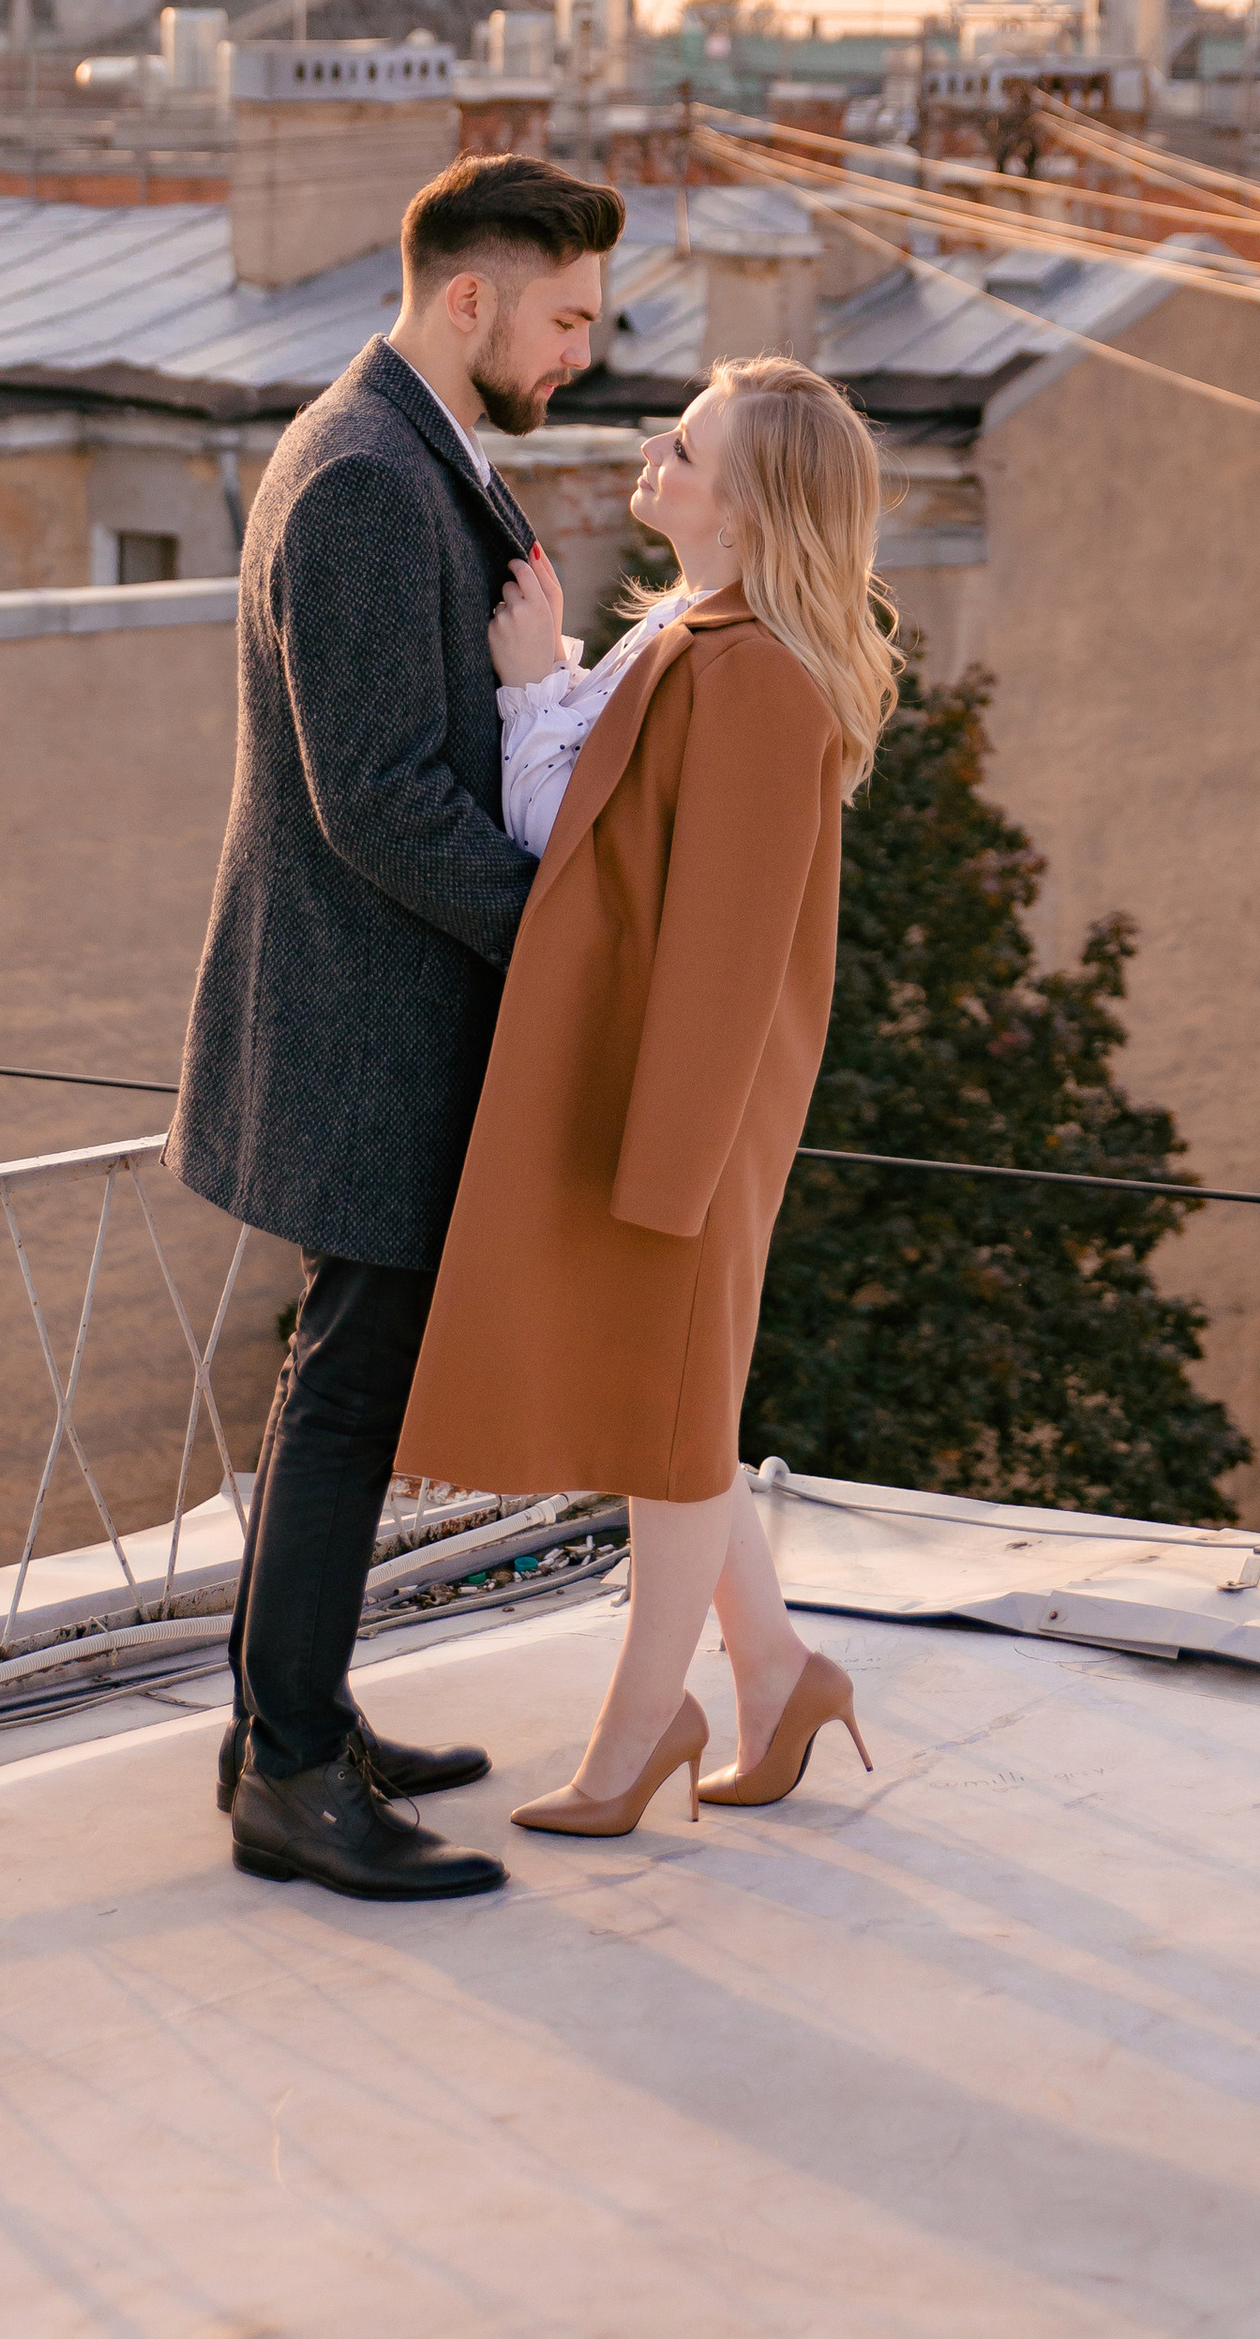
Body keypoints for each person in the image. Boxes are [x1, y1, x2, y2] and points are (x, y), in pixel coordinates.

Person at [170, 150, 625, 1902]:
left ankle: (289, 1725)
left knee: (340, 1380)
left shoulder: (402, 447)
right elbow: (375, 797)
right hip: (365, 1022)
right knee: (350, 1389)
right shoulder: (367, 476)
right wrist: (566, 943)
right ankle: (291, 1774)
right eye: (566, 318)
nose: (583, 352)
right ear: (470, 298)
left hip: (372, 1009)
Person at [396, 353, 901, 1836]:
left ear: (745, 510)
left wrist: (668, 1167)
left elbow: (727, 950)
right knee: (672, 1408)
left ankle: (636, 1739)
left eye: (684, 446)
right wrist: (547, 679)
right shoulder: (692, 634)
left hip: (688, 1105)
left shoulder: (759, 678)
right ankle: (778, 1676)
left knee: (670, 1423)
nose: (655, 456)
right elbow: (589, 834)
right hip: (645, 1080)